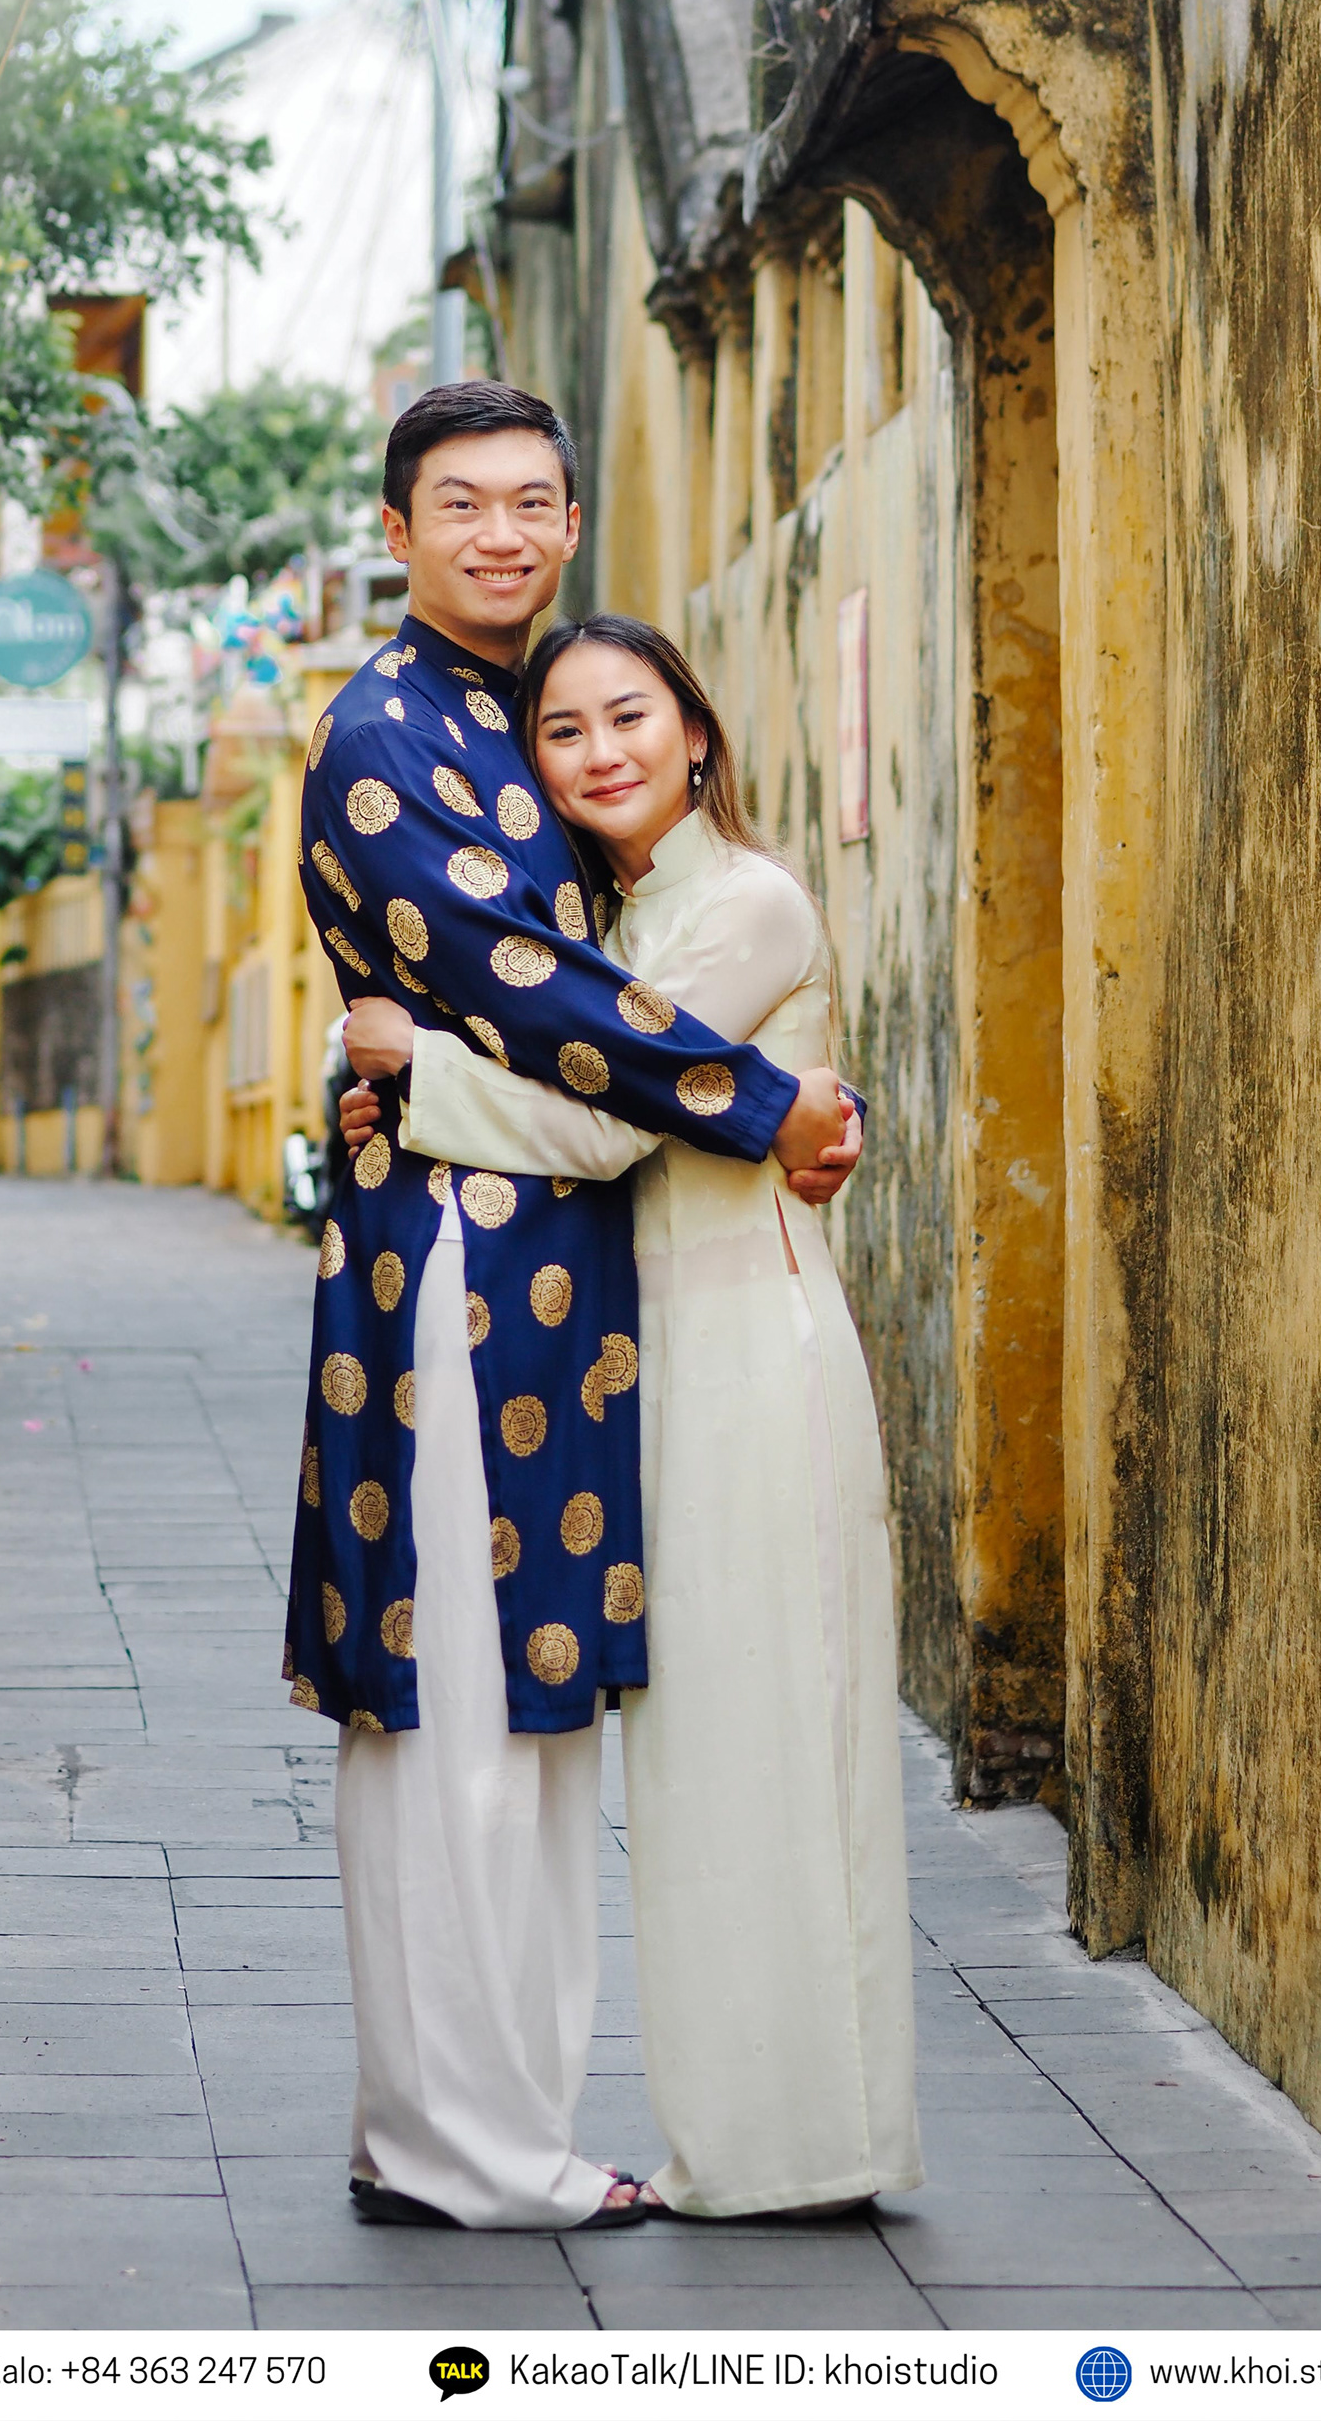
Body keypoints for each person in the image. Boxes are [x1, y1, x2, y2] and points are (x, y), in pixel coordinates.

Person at [285, 383, 857, 2232]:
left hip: (531, 1275)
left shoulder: (502, 724)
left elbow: (647, 949)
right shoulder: (387, 733)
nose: (505, 536)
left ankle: (431, 2131)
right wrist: (777, 1107)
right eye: (463, 507)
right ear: (400, 530)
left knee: (506, 1722)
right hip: (460, 1269)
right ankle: (480, 2153)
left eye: (535, 502)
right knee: (459, 1710)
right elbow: (536, 988)